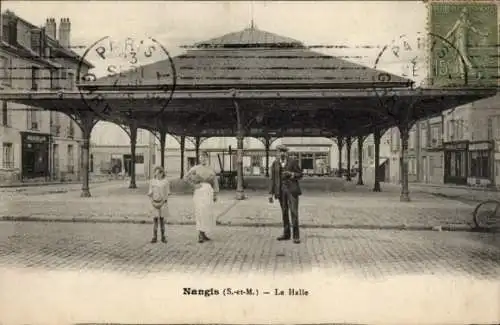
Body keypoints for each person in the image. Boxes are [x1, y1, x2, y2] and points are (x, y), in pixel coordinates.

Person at [268, 145, 303, 244]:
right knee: (284, 212)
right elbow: (273, 179)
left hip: (292, 190)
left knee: (294, 212)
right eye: (280, 151)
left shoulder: (293, 162)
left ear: (286, 153)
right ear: (277, 153)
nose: (282, 153)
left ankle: (296, 236)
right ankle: (286, 234)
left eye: (284, 151)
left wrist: (292, 174)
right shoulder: (275, 164)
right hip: (281, 191)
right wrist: (271, 193)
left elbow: (300, 174)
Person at [184, 151, 219, 243]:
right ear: (199, 158)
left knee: (207, 213)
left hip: (208, 192)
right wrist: (194, 185)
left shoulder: (211, 169)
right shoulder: (195, 168)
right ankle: (200, 234)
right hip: (199, 192)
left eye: (204, 157)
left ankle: (204, 233)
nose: (203, 159)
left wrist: (215, 194)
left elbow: (215, 182)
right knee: (200, 212)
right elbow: (186, 178)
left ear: (207, 158)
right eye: (201, 157)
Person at [147, 166, 170, 243]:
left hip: (162, 203)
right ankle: (154, 237)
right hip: (154, 203)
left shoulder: (166, 182)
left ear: (162, 173)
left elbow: (167, 194)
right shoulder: (152, 181)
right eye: (156, 173)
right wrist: (153, 202)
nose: (158, 175)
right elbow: (150, 193)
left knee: (162, 220)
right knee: (155, 220)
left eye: (160, 173)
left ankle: (163, 237)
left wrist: (162, 202)